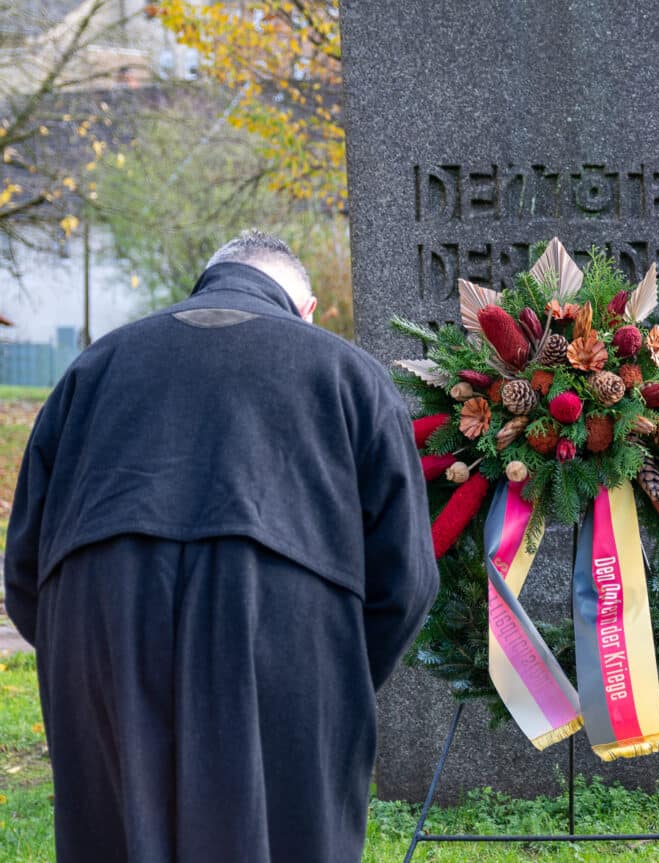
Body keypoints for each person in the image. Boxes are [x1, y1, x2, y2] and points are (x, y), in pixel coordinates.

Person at [4, 230, 437, 863]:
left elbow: (24, 564)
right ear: (306, 307)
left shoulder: (94, 367)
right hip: (288, 621)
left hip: (99, 614)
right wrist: (338, 671)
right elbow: (407, 579)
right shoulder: (349, 374)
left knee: (118, 835)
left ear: (202, 287)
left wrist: (84, 657)